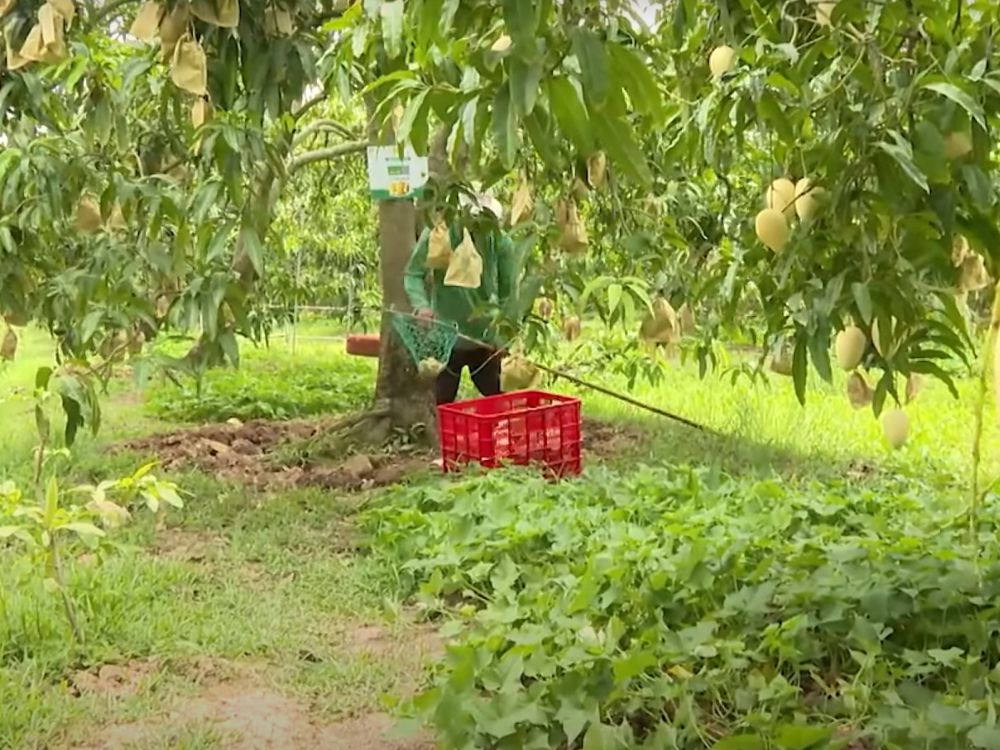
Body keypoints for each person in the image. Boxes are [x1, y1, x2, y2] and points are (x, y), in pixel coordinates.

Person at [403, 195, 517, 404]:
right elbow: (413, 274)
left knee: (500, 397)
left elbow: (508, 294)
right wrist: (422, 306)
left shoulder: (501, 242)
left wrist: (502, 336)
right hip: (446, 337)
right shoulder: (439, 235)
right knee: (442, 402)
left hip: (484, 338)